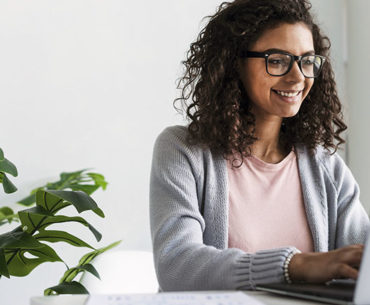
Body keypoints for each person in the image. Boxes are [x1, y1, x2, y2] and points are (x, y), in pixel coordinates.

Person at [149, 0, 370, 291]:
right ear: (234, 63)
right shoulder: (182, 151)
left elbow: (361, 261)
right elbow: (177, 267)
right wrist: (295, 266)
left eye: (307, 61)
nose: (298, 77)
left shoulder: (326, 167)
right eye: (277, 60)